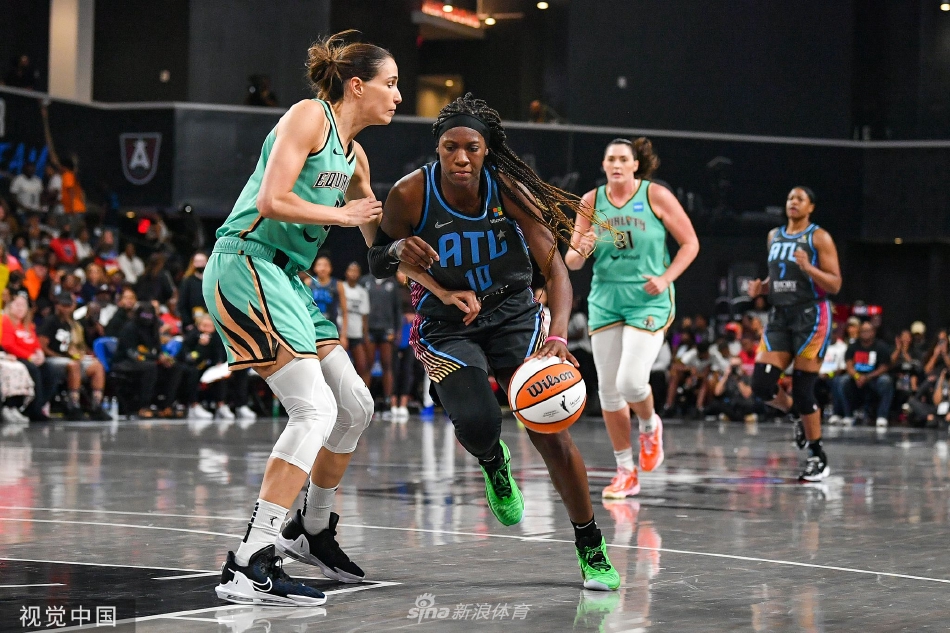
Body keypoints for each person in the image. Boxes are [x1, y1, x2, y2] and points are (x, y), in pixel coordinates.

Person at [368, 93, 621, 591]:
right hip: (446, 323)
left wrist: (557, 334)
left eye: (472, 147)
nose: (461, 157)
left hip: (513, 316)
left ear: (486, 150)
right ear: (438, 148)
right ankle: (493, 462)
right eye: (451, 147)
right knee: (480, 423)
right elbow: (378, 259)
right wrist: (397, 247)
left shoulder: (508, 190)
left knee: (551, 432)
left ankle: (591, 545)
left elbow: (555, 269)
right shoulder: (410, 194)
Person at [202, 31, 401, 606]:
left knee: (355, 405)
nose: (397, 96)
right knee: (313, 410)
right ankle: (250, 560)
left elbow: (378, 244)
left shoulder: (356, 157)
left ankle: (310, 530)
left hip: (288, 279)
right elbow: (272, 200)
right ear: (356, 86)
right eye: (390, 84)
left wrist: (433, 272)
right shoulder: (310, 116)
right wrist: (343, 216)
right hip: (247, 261)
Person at [564, 137, 699, 499]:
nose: (617, 164)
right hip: (606, 299)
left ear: (635, 165)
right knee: (608, 391)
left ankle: (650, 425)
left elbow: (690, 243)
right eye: (611, 159)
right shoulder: (592, 200)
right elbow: (571, 261)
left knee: (630, 382)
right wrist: (581, 249)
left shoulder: (655, 196)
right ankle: (626, 470)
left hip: (647, 299)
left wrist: (666, 278)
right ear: (604, 165)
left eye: (624, 159)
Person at [747, 186, 842, 482]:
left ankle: (817, 456)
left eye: (800, 199)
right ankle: (794, 414)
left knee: (803, 389)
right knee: (762, 384)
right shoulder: (774, 236)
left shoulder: (819, 237)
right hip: (779, 316)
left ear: (811, 207)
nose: (793, 202)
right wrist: (761, 288)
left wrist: (808, 267)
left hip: (811, 317)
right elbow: (777, 278)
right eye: (790, 198)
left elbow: (835, 284)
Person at [37, 292, 109, 420]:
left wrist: (83, 355)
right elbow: (42, 346)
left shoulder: (72, 324)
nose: (66, 309)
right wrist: (61, 356)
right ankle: (73, 406)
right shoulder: (50, 321)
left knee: (97, 366)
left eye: (68, 306)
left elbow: (78, 346)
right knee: (73, 365)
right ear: (57, 306)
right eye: (63, 306)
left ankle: (96, 406)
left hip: (70, 358)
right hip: (51, 359)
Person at [113, 302, 185, 418]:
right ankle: (144, 407)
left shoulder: (153, 327)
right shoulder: (129, 328)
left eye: (149, 316)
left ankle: (166, 406)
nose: (147, 319)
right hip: (125, 361)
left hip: (148, 359)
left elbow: (157, 349)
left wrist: (164, 357)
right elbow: (131, 353)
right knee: (150, 367)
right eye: (144, 316)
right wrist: (156, 358)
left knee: (175, 367)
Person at [1, 293, 53, 421]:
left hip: (31, 356)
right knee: (33, 370)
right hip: (16, 356)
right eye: (17, 305)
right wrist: (29, 356)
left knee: (49, 370)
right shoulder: (5, 321)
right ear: (10, 306)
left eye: (23, 305)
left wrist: (40, 353)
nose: (20, 308)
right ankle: (34, 410)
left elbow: (35, 343)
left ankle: (37, 405)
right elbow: (8, 345)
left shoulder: (28, 325)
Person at [831, 320, 893, 428]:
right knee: (841, 381)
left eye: (868, 331)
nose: (865, 333)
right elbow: (849, 365)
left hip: (874, 378)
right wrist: (857, 376)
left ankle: (882, 416)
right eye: (863, 331)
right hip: (856, 378)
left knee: (886, 381)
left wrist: (867, 377)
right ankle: (847, 415)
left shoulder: (881, 346)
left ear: (873, 332)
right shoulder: (853, 346)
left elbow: (884, 367)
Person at [358, 269, 400, 416]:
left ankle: (388, 403)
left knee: (387, 365)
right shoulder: (364, 281)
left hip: (386, 329)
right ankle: (365, 403)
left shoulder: (392, 283)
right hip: (369, 329)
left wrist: (397, 330)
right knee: (367, 366)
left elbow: (397, 309)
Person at [306, 255, 347, 345]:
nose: (322, 268)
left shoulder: (338, 284)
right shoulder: (308, 282)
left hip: (332, 328)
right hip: (313, 328)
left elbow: (344, 311)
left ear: (331, 268)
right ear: (315, 268)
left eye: (325, 265)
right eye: (319, 265)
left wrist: (344, 336)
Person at [340, 262, 370, 373]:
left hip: (356, 333)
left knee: (363, 366)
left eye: (356, 271)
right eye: (351, 270)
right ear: (346, 272)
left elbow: (364, 316)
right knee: (340, 367)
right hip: (341, 332)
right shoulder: (340, 287)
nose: (353, 273)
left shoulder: (362, 292)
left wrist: (365, 336)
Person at [178, 252, 208, 331]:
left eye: (202, 262)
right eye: (197, 262)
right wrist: (188, 322)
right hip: (192, 322)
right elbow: (182, 303)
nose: (200, 264)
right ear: (193, 263)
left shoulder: (213, 280)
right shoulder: (187, 281)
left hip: (211, 320)